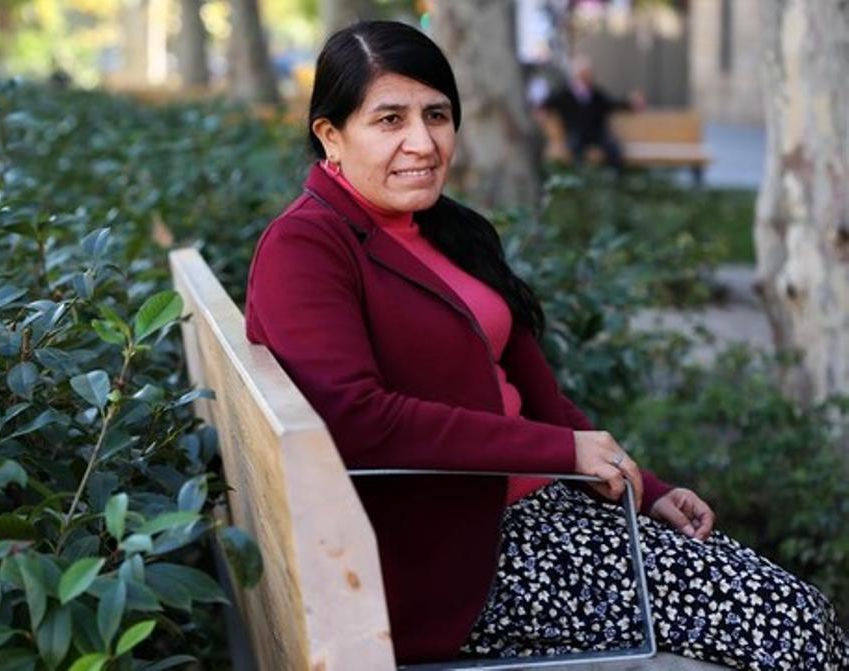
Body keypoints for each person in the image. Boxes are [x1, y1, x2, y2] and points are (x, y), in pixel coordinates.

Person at [243, 20, 848, 669]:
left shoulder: (449, 229)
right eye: (389, 119)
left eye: (437, 115)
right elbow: (355, 419)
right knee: (792, 627)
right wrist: (563, 451)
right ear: (330, 135)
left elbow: (536, 394)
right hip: (464, 564)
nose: (422, 142)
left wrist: (644, 487)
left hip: (543, 510)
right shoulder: (308, 247)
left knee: (798, 614)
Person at [539, 55, 644, 168]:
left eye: (588, 73)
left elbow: (612, 104)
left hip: (597, 134)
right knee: (574, 148)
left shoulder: (596, 93)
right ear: (576, 75)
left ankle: (613, 177)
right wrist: (542, 112)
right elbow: (547, 104)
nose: (586, 76)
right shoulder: (564, 94)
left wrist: (630, 104)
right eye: (583, 73)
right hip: (575, 133)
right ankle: (579, 179)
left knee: (613, 148)